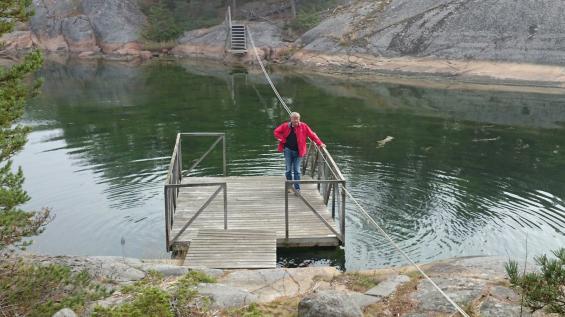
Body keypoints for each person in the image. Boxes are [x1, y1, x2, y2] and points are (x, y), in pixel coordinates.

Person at [274, 112, 325, 193]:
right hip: (288, 150)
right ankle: (290, 186)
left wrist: (320, 143)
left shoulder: (304, 126)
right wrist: (282, 139)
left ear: (299, 119)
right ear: (290, 119)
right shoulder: (285, 126)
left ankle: (297, 189)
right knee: (288, 170)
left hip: (299, 152)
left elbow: (312, 135)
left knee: (297, 170)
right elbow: (276, 132)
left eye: (297, 119)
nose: (295, 120)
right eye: (294, 119)